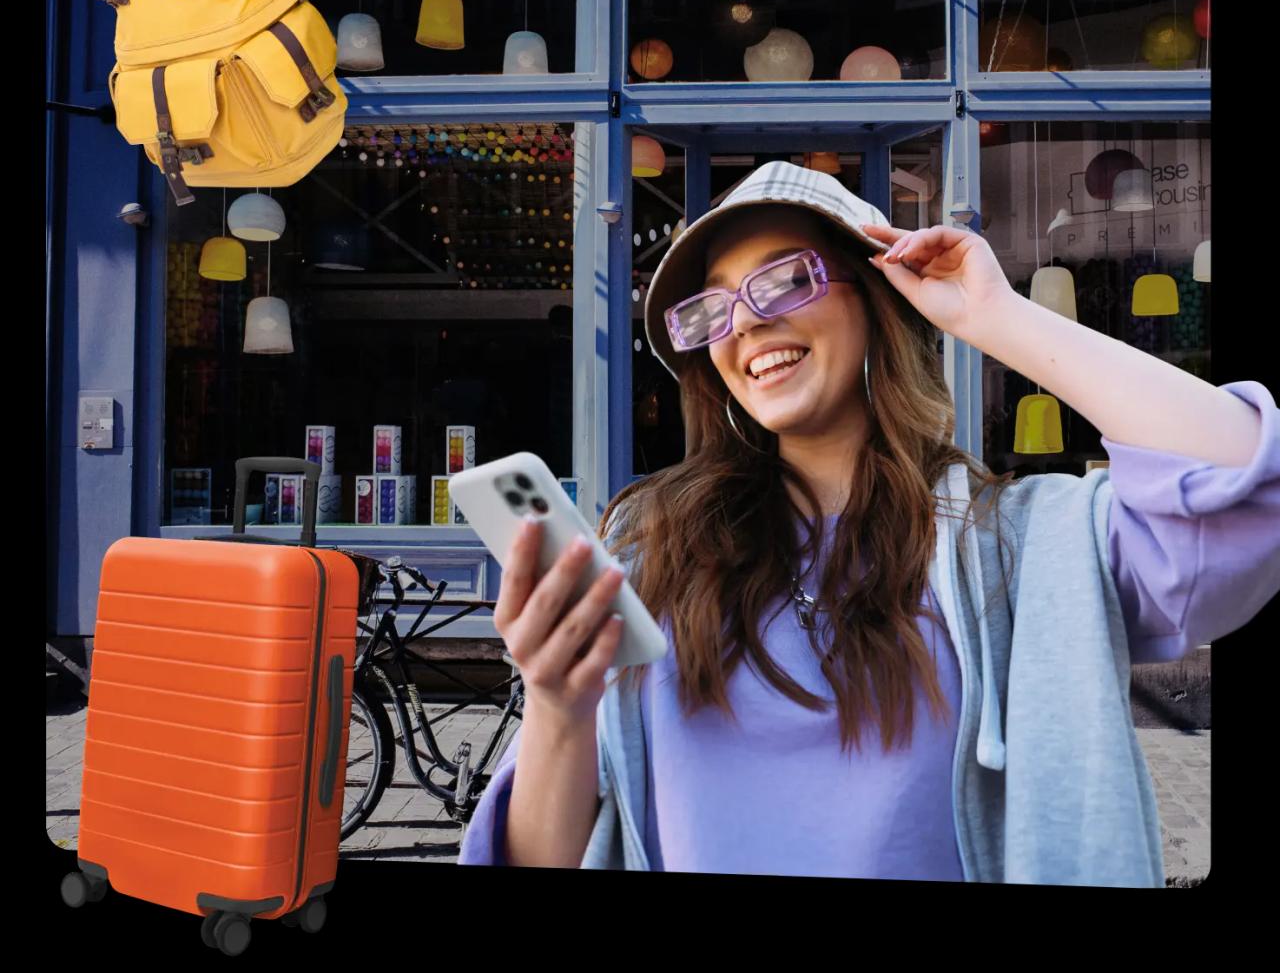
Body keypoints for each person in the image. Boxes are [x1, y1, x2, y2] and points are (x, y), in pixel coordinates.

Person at [459, 160, 1280, 884]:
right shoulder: (648, 548)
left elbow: (1248, 490)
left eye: (785, 281)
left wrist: (1000, 319)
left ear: (878, 297)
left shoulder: (1019, 547)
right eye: (710, 312)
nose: (744, 322)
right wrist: (557, 705)